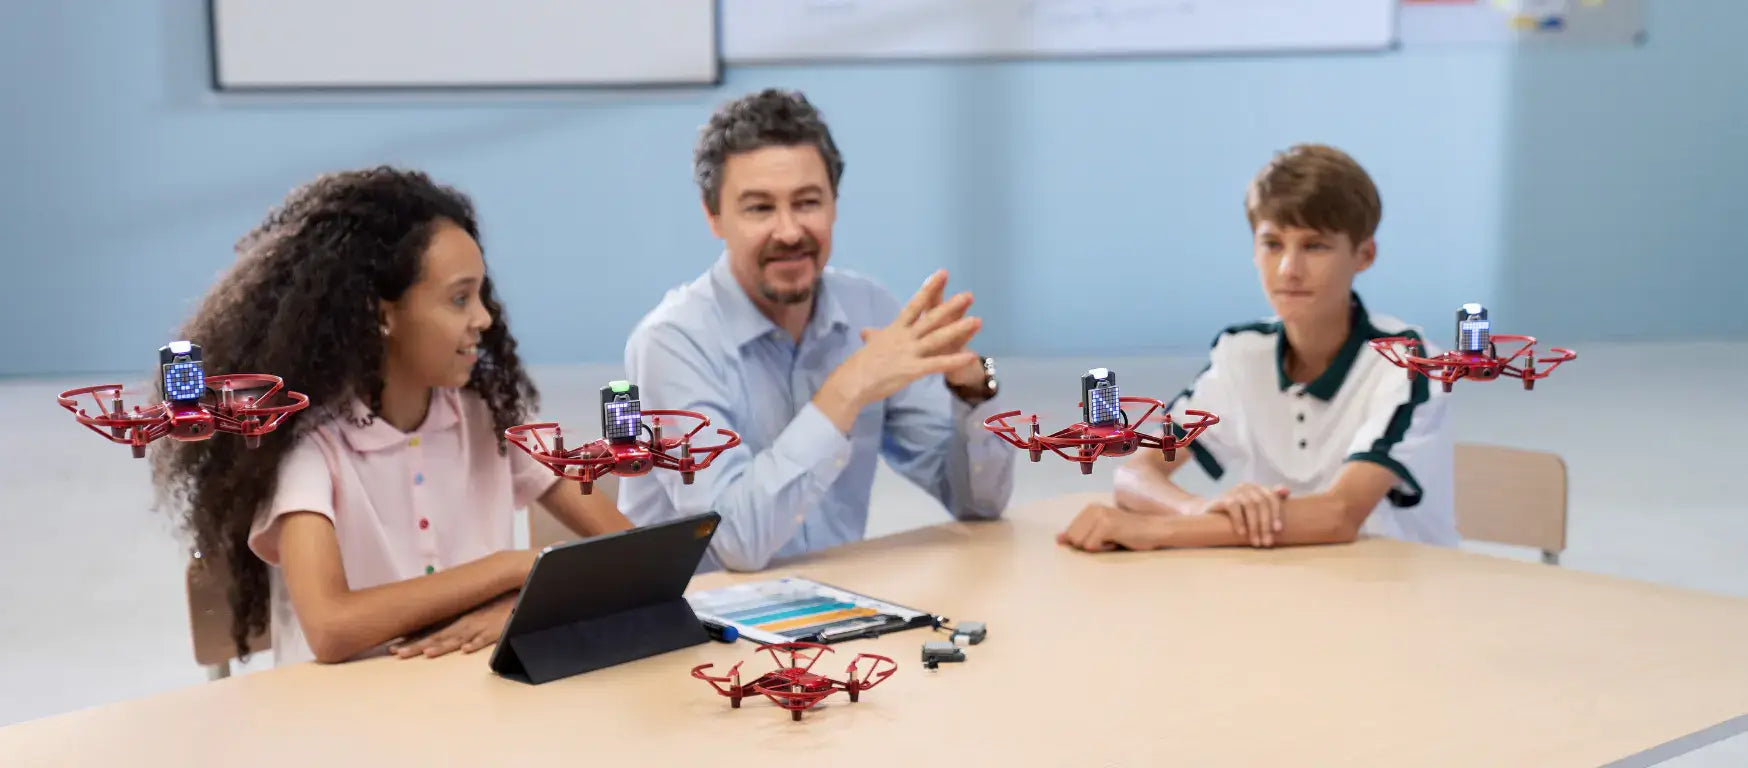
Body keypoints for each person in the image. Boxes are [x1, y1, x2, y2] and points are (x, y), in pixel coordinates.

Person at [151, 167, 634, 665]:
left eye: (481, 295)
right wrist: (510, 570)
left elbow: (632, 557)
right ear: (382, 314)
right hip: (342, 721)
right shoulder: (309, 447)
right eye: (459, 298)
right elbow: (331, 627)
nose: (484, 318)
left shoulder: (489, 422)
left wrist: (519, 606)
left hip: (467, 707)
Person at [619, 88, 1016, 572]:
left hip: (835, 611)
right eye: (759, 208)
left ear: (834, 204)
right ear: (714, 217)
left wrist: (972, 392)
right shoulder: (671, 342)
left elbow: (978, 505)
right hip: (704, 624)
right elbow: (735, 543)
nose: (789, 231)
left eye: (807, 202)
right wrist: (849, 387)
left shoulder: (868, 307)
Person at [1059, 144, 1458, 553]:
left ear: (1364, 254)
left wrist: (1153, 532)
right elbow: (1135, 474)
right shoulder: (1242, 352)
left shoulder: (1408, 362)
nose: (1289, 269)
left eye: (1314, 246)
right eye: (1272, 244)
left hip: (1398, 594)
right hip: (1281, 586)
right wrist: (1196, 511)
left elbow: (1338, 515)